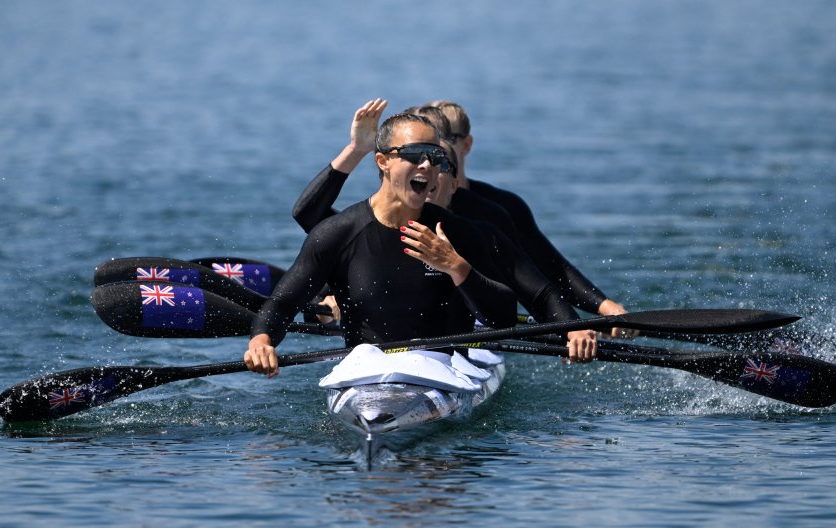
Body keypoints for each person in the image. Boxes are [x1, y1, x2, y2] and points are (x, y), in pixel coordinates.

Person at [245, 112, 594, 377]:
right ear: (382, 161)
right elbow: (281, 305)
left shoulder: (461, 233)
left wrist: (456, 267)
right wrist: (262, 341)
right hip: (365, 371)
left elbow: (511, 313)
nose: (427, 164)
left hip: (447, 368)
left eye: (435, 156)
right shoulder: (336, 234)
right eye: (415, 154)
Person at [426, 100, 634, 337]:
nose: (431, 156)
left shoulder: (497, 211)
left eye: (443, 139)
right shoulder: (397, 212)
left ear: (466, 144)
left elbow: (542, 273)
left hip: (482, 321)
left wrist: (585, 317)